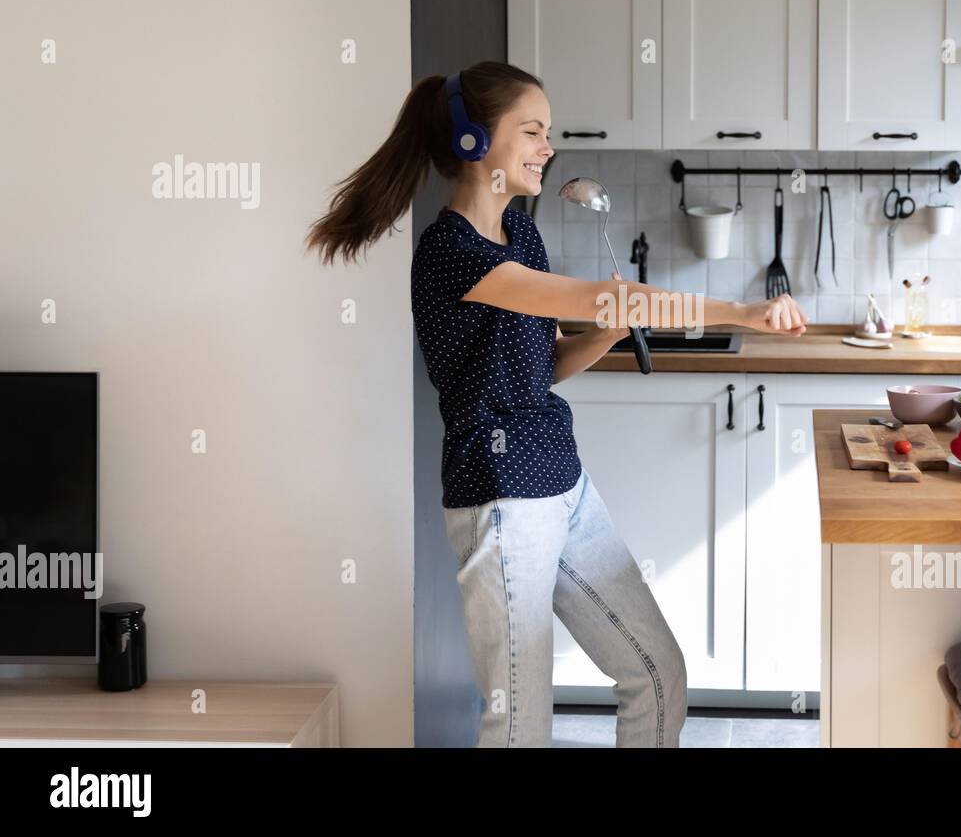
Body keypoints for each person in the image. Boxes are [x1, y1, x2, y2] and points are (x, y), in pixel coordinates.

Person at [304, 61, 808, 747]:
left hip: (563, 483)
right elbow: (606, 298)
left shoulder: (524, 236)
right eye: (532, 130)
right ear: (476, 144)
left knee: (658, 675)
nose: (548, 146)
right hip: (504, 498)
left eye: (549, 132)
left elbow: (546, 366)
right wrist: (742, 311)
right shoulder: (450, 252)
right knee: (519, 723)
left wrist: (602, 331)